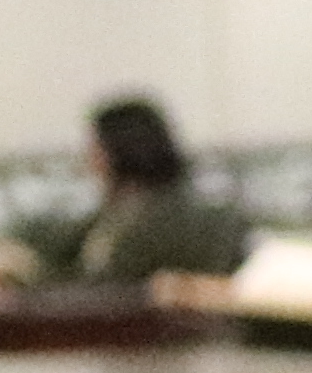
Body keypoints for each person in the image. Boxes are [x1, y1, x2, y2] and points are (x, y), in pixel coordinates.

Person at [45, 96, 248, 290]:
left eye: (96, 148)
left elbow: (117, 283)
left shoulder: (172, 218)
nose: (90, 160)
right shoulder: (115, 214)